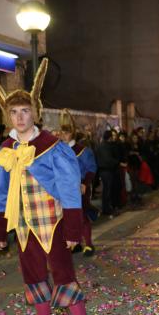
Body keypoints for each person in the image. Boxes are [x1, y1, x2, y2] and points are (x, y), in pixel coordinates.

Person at [0, 58, 97, 315]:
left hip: (53, 223)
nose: (19, 117)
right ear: (8, 115)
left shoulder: (52, 146)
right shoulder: (4, 150)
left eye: (25, 111)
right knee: (34, 278)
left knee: (64, 276)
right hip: (24, 226)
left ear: (35, 113)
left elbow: (70, 188)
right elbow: (1, 193)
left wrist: (72, 229)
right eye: (14, 112)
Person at [59, 109, 98, 257]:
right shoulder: (58, 151)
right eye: (61, 132)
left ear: (72, 134)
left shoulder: (83, 151)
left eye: (66, 132)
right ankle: (74, 243)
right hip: (63, 189)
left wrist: (85, 184)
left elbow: (91, 168)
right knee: (65, 217)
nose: (63, 135)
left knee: (81, 216)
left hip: (79, 187)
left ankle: (88, 244)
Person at [96, 130, 120, 216]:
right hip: (107, 171)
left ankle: (106, 207)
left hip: (102, 170)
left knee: (106, 190)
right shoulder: (106, 147)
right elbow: (108, 159)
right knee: (108, 190)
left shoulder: (99, 146)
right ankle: (107, 208)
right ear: (110, 137)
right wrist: (117, 162)